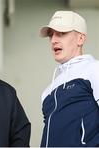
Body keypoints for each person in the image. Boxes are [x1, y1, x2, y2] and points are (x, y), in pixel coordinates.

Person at [39, 10, 99, 147]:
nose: (53, 40)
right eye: (51, 35)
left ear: (81, 39)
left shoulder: (94, 69)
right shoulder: (47, 92)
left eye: (61, 33)